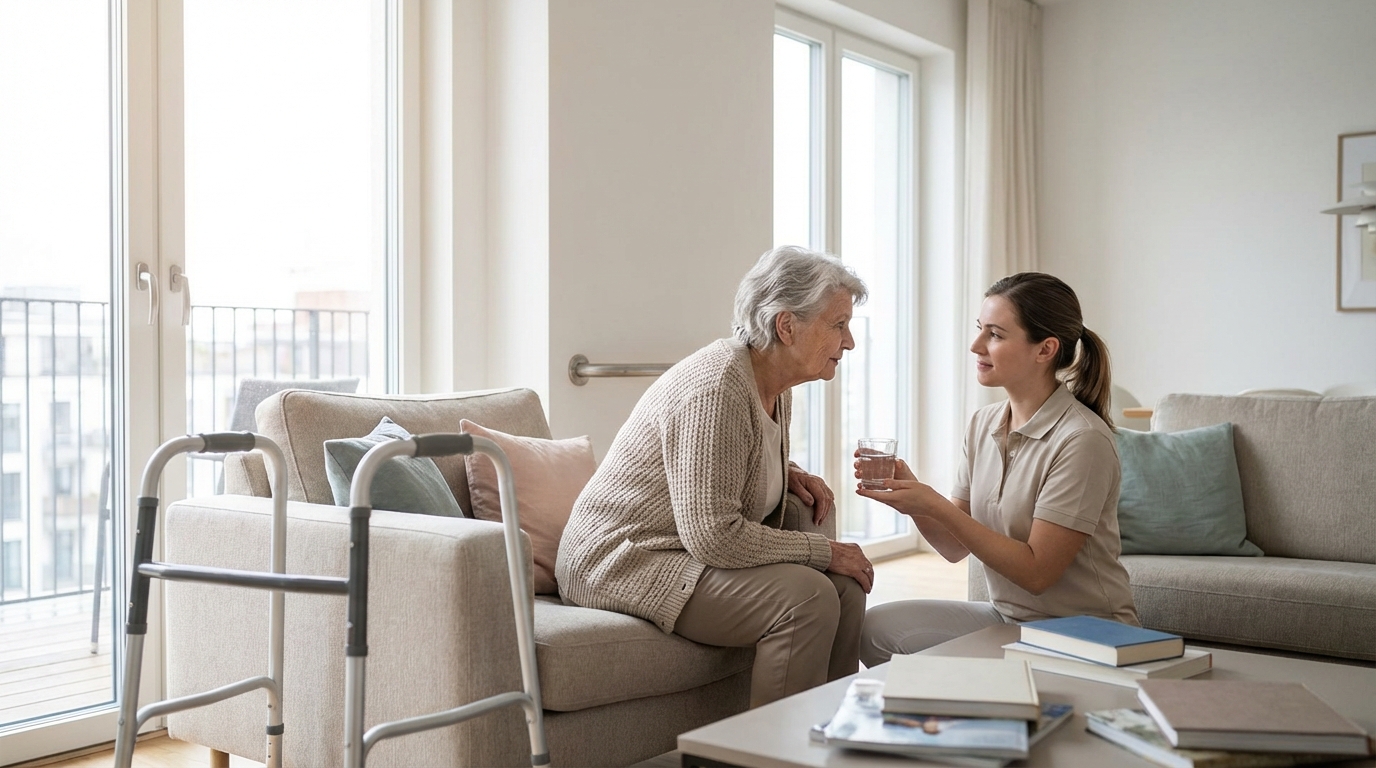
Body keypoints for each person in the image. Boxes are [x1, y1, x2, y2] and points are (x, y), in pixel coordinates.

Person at [556, 245, 873, 707]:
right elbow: (714, 536)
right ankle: (772, 757)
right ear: (787, 325)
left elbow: (719, 459)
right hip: (621, 560)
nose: (848, 342)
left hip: (679, 547)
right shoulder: (718, 385)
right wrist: (823, 551)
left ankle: (833, 735)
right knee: (807, 598)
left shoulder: (772, 384)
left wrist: (787, 472)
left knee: (846, 588)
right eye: (838, 325)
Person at [856, 272, 1138, 666]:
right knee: (876, 628)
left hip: (1085, 633)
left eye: (995, 334)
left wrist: (934, 504)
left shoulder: (1082, 440)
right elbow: (953, 547)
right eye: (979, 330)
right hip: (1009, 621)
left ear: (1045, 350)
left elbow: (1037, 574)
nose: (976, 346)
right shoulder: (983, 423)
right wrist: (913, 500)